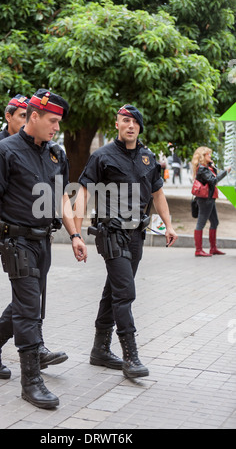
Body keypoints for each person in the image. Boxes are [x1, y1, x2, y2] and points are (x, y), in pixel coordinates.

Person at [0, 89, 87, 409]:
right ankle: (31, 382)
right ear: (33, 117)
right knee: (28, 308)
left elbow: (61, 198)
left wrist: (75, 235)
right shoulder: (5, 151)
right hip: (17, 241)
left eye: (59, 123)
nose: (56, 128)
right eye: (52, 121)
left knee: (28, 302)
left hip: (43, 241)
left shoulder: (56, 153)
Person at [0, 94, 68, 372]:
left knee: (30, 293)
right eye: (19, 115)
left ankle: (30, 344)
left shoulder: (41, 148)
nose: (22, 120)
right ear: (10, 117)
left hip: (21, 233)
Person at [74, 104, 178, 380]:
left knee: (114, 290)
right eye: (125, 121)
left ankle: (99, 349)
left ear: (140, 127)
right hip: (111, 234)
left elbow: (158, 194)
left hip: (136, 235)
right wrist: (75, 230)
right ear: (117, 124)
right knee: (125, 293)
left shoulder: (148, 157)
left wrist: (168, 224)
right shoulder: (102, 156)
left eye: (134, 122)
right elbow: (83, 191)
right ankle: (131, 356)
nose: (130, 125)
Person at [192, 146, 231, 257]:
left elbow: (214, 176)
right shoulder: (202, 169)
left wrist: (213, 166)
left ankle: (213, 248)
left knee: (215, 222)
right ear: (203, 156)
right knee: (201, 223)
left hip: (210, 198)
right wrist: (226, 172)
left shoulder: (207, 167)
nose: (210, 156)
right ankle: (198, 250)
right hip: (205, 199)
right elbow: (213, 180)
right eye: (208, 154)